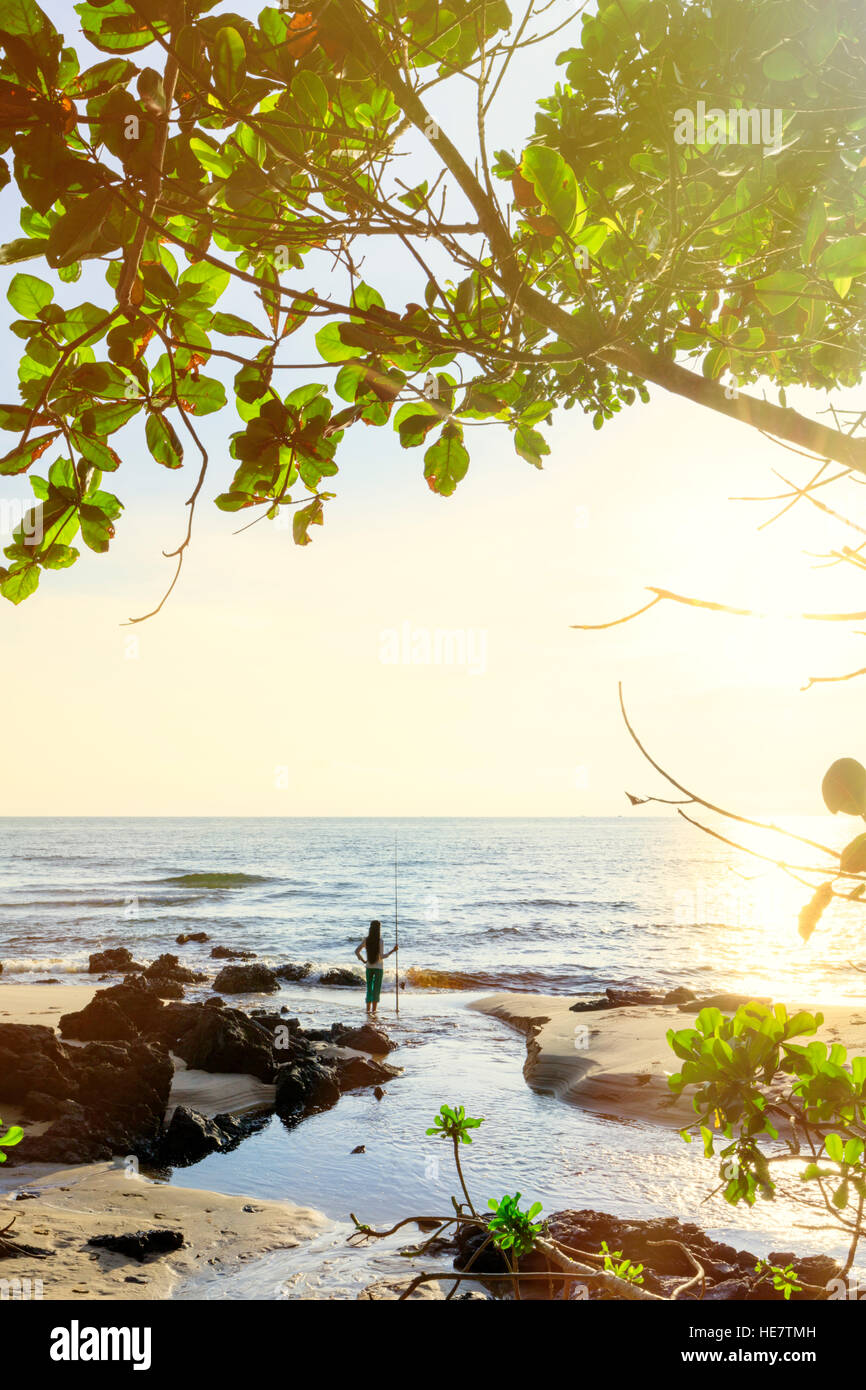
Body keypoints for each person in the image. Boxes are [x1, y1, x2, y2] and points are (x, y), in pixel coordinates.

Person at [354, 919, 397, 1015]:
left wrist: (363, 960)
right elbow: (382, 956)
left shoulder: (366, 939)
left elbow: (356, 951)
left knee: (369, 988)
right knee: (376, 990)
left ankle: (367, 1010)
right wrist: (392, 951)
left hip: (369, 967)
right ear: (378, 929)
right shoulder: (380, 941)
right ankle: (374, 1011)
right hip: (378, 968)